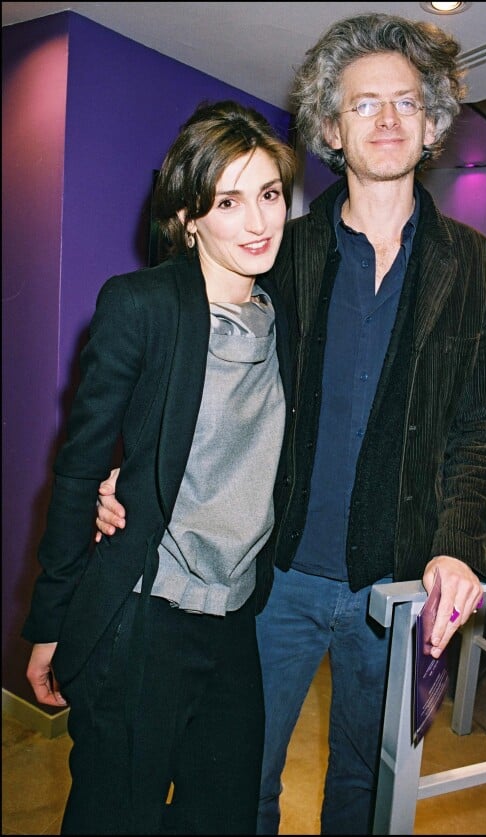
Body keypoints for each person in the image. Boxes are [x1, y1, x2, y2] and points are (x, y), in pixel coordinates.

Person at [96, 12, 486, 836]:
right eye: (364, 105)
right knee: (238, 778)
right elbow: (201, 372)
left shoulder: (477, 268)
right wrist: (135, 471)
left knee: (364, 790)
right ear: (331, 125)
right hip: (274, 570)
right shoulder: (279, 251)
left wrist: (461, 544)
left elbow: (482, 422)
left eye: (405, 102)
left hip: (394, 584)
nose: (388, 120)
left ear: (432, 122)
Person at [22, 100, 296, 835]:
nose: (257, 221)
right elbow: (79, 470)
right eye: (229, 201)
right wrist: (51, 623)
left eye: (269, 194)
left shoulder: (285, 319)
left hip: (235, 618)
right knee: (118, 817)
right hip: (144, 615)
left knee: (225, 813)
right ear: (188, 217)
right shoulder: (142, 306)